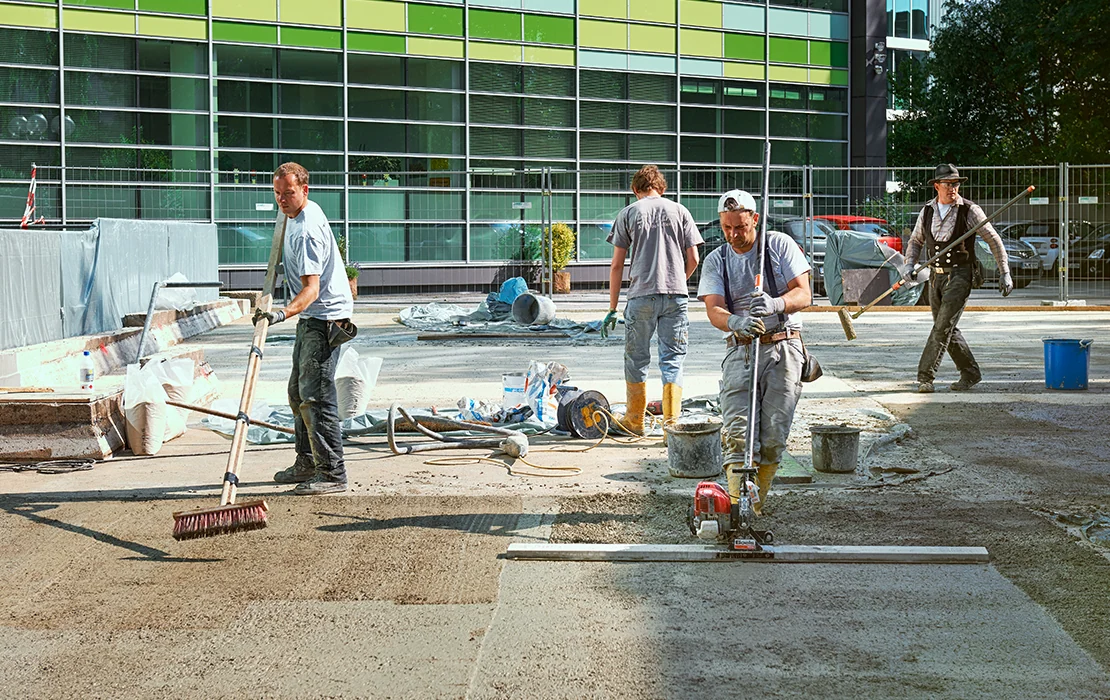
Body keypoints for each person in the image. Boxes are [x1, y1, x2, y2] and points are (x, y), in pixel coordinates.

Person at [697, 190, 811, 514]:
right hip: (741, 350)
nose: (733, 235)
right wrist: (736, 321)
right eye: (727, 228)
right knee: (738, 433)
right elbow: (713, 309)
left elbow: (804, 293)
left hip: (783, 348)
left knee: (773, 436)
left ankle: (755, 504)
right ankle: (738, 509)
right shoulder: (717, 259)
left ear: (755, 220)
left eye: (741, 227)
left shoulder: (778, 246)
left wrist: (778, 303)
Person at [254, 162, 354, 495]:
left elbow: (311, 289)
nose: (282, 200)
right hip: (312, 316)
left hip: (326, 318)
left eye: (289, 193)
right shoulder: (293, 215)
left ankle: (331, 473)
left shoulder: (308, 230)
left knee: (316, 396)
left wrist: (280, 315)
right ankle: (307, 462)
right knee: (297, 393)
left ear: (305, 191)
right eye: (277, 194)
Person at [600, 165, 703, 436]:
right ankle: (672, 426)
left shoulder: (629, 213)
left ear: (635, 189)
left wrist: (612, 308)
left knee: (636, 359)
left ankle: (635, 421)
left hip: (641, 296)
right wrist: (678, 279)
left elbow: (616, 266)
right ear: (662, 188)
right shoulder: (680, 211)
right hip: (676, 296)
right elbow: (694, 259)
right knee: (673, 359)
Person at [902, 163, 1012, 394]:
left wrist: (1005, 272)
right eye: (948, 184)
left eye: (956, 183)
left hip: (960, 275)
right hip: (935, 277)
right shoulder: (928, 211)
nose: (953, 188)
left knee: (942, 328)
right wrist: (909, 265)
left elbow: (993, 239)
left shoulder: (970, 210)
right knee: (946, 327)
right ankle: (971, 373)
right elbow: (915, 241)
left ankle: (925, 377)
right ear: (936, 186)